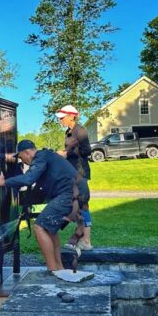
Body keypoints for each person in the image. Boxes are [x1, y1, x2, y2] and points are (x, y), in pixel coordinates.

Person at [0, 139, 77, 272]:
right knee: (49, 229)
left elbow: (29, 178)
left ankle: (52, 270)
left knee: (39, 227)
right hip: (74, 193)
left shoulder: (40, 156)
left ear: (27, 152)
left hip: (68, 194)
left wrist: (4, 182)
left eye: (21, 157)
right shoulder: (47, 156)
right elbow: (36, 187)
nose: (21, 161)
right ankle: (59, 267)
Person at [56, 104, 94, 250]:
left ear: (72, 116)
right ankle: (81, 237)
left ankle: (85, 239)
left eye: (62, 117)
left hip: (80, 172)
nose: (61, 121)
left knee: (83, 203)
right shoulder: (69, 132)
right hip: (72, 173)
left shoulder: (80, 130)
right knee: (77, 204)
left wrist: (67, 154)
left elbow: (87, 151)